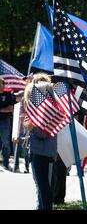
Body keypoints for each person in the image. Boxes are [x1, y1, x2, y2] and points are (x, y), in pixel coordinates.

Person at [23, 73, 58, 210]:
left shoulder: (45, 106)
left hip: (41, 149)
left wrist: (31, 128)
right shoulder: (51, 103)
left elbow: (43, 132)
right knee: (43, 185)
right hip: (47, 150)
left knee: (42, 185)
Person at [13, 91, 30, 173]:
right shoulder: (17, 107)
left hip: (24, 131)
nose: (16, 98)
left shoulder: (26, 106)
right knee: (16, 148)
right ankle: (16, 167)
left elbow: (24, 118)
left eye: (18, 96)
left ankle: (27, 167)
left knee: (25, 150)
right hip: (17, 130)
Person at [0, 78, 15, 171]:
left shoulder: (8, 95)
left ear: (3, 85)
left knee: (5, 142)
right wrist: (3, 109)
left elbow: (11, 108)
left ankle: (6, 162)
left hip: (5, 120)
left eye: (1, 84)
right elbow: (7, 108)